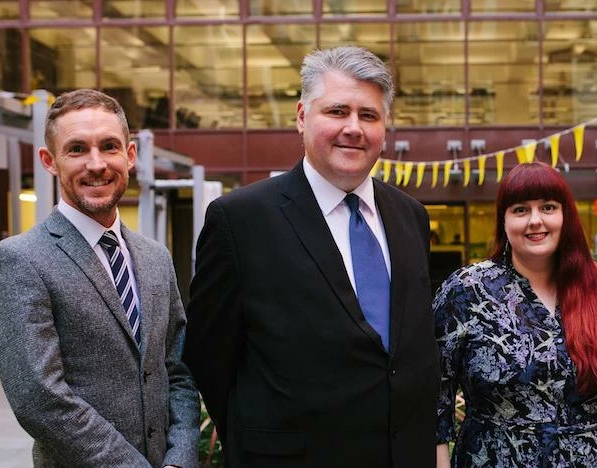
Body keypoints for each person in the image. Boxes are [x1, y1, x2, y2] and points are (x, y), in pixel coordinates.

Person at [183, 46, 439, 467]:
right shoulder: (241, 220)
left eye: (369, 115)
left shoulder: (411, 216)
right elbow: (210, 357)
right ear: (302, 117)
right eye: (337, 111)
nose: (353, 128)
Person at [0, 89, 200, 467]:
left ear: (129, 156)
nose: (96, 164)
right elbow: (40, 399)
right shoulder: (18, 261)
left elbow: (177, 370)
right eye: (77, 149)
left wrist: (179, 459)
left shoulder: (155, 258)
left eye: (109, 146)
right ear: (50, 161)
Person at [434, 162, 597, 468]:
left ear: (565, 216)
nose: (535, 221)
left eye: (548, 207)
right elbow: (434, 404)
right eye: (521, 210)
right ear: (504, 221)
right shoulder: (467, 291)